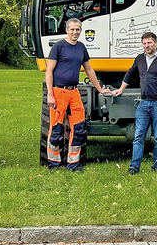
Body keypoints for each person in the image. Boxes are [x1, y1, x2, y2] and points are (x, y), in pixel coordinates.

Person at [44, 18, 109, 171]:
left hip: (74, 92)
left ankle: (73, 164)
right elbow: (49, 71)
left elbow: (89, 70)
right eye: (72, 29)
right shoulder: (58, 46)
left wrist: (99, 89)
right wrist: (50, 94)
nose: (75, 32)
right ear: (67, 30)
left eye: (77, 29)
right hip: (59, 91)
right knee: (56, 128)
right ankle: (54, 163)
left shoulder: (81, 47)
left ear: (80, 31)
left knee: (79, 127)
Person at [110, 31, 157, 174]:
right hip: (144, 103)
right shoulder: (140, 59)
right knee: (138, 136)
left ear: (155, 43)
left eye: (149, 43)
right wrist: (120, 90)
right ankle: (134, 167)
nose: (147, 46)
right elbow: (130, 74)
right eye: (144, 43)